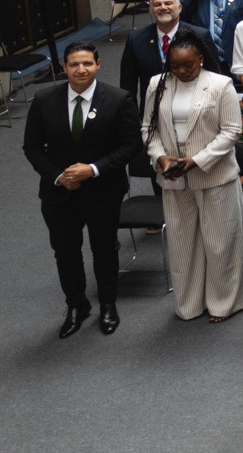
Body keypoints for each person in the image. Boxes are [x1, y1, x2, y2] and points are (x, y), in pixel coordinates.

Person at [23, 41, 140, 339]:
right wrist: (58, 176)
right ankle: (76, 305)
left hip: (103, 190)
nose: (80, 69)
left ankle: (108, 305)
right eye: (74, 64)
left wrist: (93, 169)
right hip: (59, 194)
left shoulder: (118, 99)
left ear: (98, 64)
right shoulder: (44, 99)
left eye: (87, 63)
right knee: (65, 252)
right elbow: (32, 147)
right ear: (64, 67)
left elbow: (130, 145)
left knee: (104, 249)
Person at [141, 32, 243, 322]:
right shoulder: (158, 84)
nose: (181, 72)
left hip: (214, 175)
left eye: (188, 66)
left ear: (201, 60)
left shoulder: (220, 85)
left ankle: (224, 303)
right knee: (183, 244)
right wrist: (161, 158)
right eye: (175, 66)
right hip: (173, 177)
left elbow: (232, 131)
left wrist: (196, 160)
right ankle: (190, 303)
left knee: (220, 243)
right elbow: (148, 129)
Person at [120, 0, 222, 107]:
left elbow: (215, 74)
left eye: (168, 3)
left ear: (179, 8)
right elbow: (128, 84)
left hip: (194, 106)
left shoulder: (199, 35)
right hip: (154, 109)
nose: (163, 7)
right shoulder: (135, 39)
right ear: (151, 10)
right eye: (157, 4)